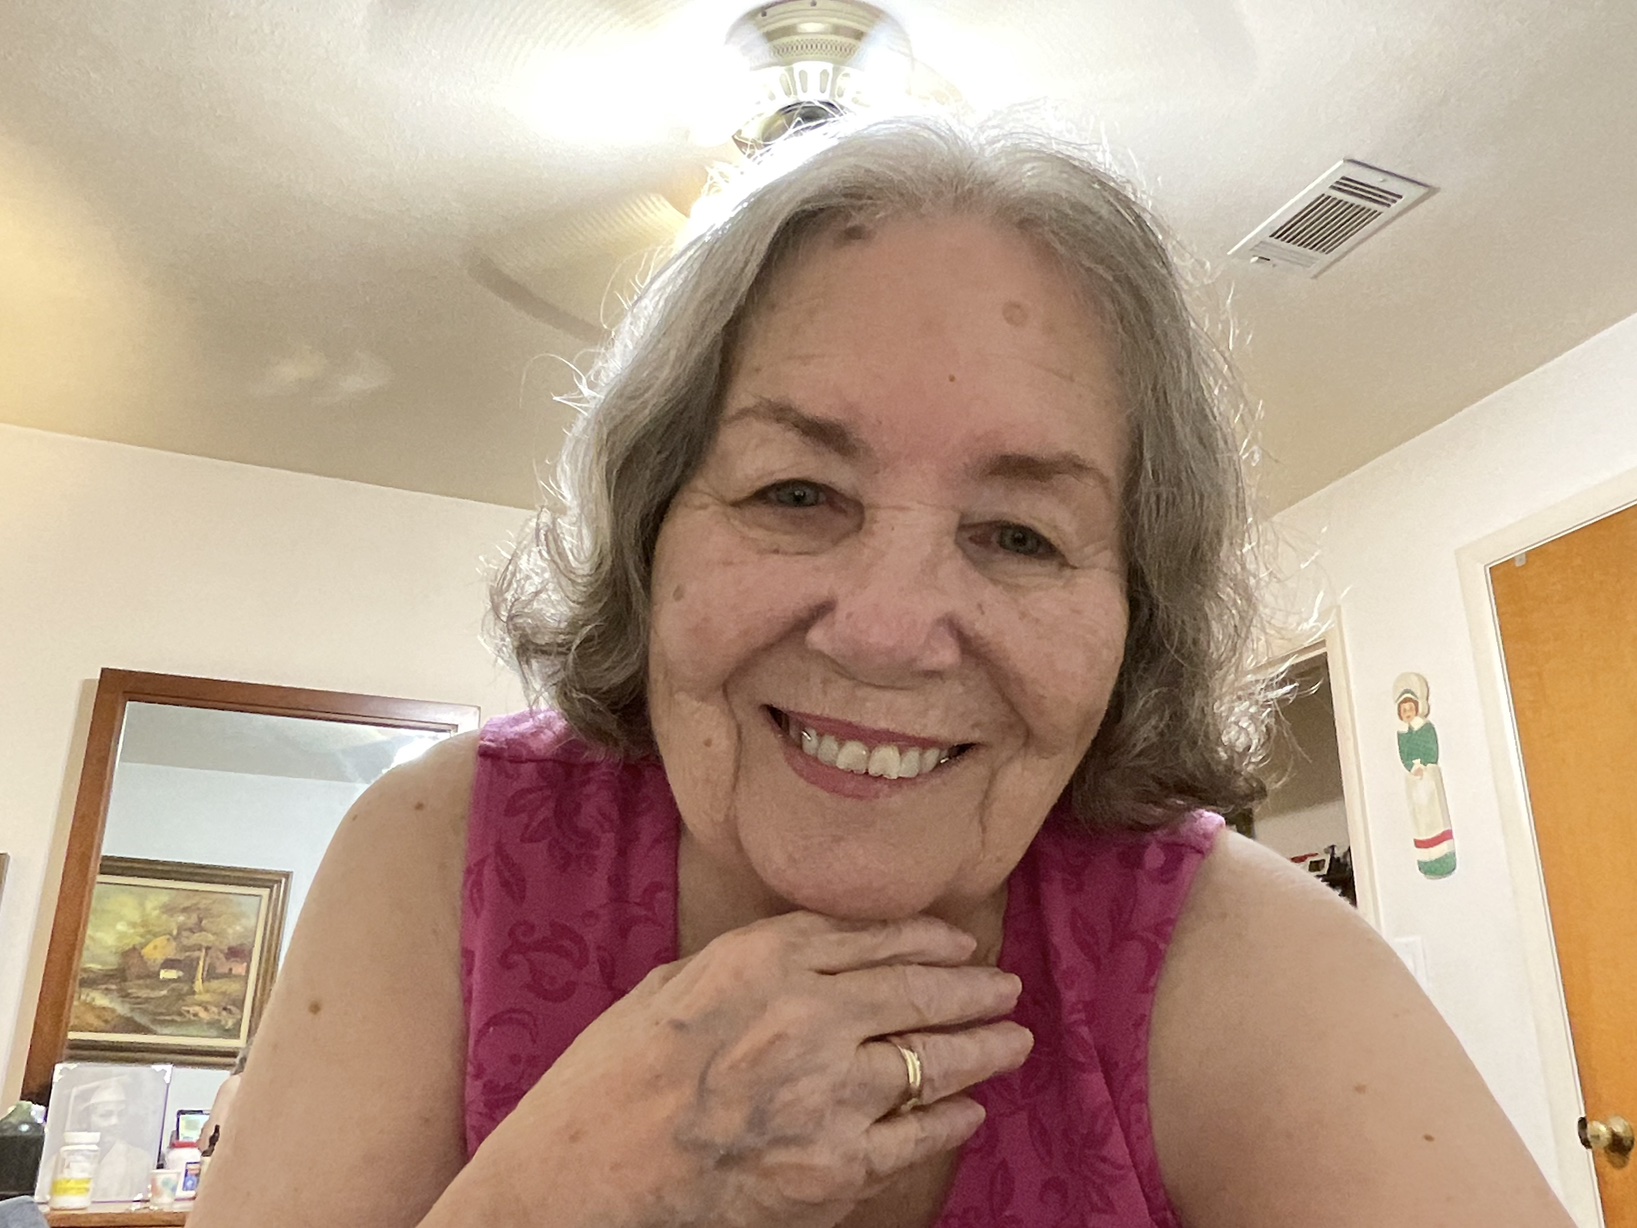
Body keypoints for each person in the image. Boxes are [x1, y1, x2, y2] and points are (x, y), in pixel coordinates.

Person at [190, 117, 1573, 1227]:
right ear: (655, 532)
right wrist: (573, 1192)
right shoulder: (441, 853)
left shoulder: (1236, 958)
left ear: (1132, 615)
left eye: (1020, 535)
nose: (888, 631)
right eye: (795, 494)